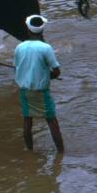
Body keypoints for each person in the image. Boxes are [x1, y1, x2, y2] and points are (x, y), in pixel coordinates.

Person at [14, 14, 64, 153]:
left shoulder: (19, 47)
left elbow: (17, 68)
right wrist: (48, 76)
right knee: (52, 121)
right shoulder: (46, 48)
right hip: (40, 91)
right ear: (42, 31)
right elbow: (56, 71)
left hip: (24, 90)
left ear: (28, 30)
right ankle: (61, 153)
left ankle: (30, 150)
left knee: (27, 119)